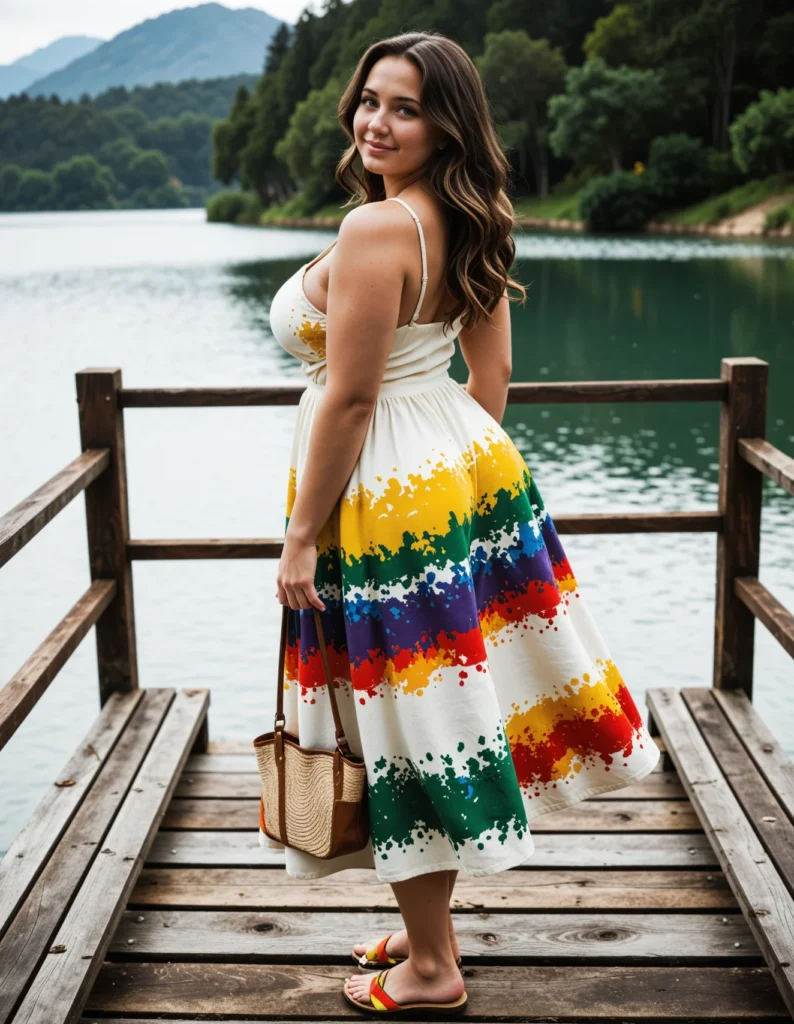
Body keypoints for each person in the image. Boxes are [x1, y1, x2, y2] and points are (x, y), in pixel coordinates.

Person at [266, 30, 660, 1016]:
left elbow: (350, 399)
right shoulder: (468, 214)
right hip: (452, 476)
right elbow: (489, 383)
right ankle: (422, 925)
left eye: (403, 107)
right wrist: (447, 483)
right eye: (368, 100)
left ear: (446, 124)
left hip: (375, 494)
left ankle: (433, 969)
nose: (375, 121)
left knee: (400, 719)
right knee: (438, 703)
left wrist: (303, 535)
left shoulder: (374, 232)